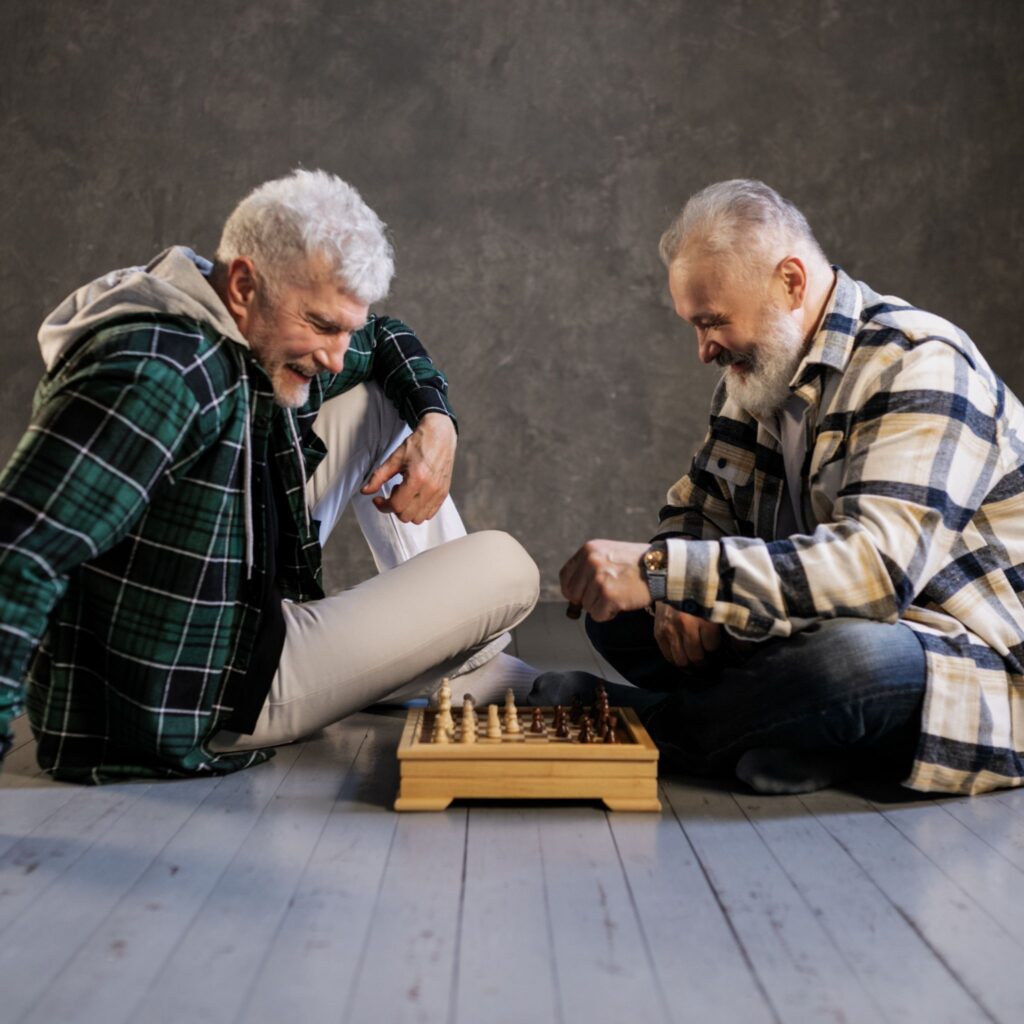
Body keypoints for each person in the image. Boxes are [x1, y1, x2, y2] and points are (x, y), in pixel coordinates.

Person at [0, 169, 539, 783]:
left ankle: (458, 659)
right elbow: (19, 547)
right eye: (322, 325)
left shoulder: (226, 323)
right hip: (211, 694)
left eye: (345, 328)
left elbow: (386, 340)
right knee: (508, 566)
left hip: (237, 618)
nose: (336, 353)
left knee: (379, 399)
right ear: (244, 283)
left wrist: (439, 422)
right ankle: (463, 662)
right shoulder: (162, 373)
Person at [547, 178, 1024, 796]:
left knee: (852, 664)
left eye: (713, 322)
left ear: (791, 283)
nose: (702, 350)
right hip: (810, 627)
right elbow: (697, 509)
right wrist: (667, 589)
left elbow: (875, 575)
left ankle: (643, 723)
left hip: (959, 659)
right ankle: (803, 737)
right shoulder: (756, 378)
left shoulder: (918, 362)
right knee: (617, 614)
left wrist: (668, 571)